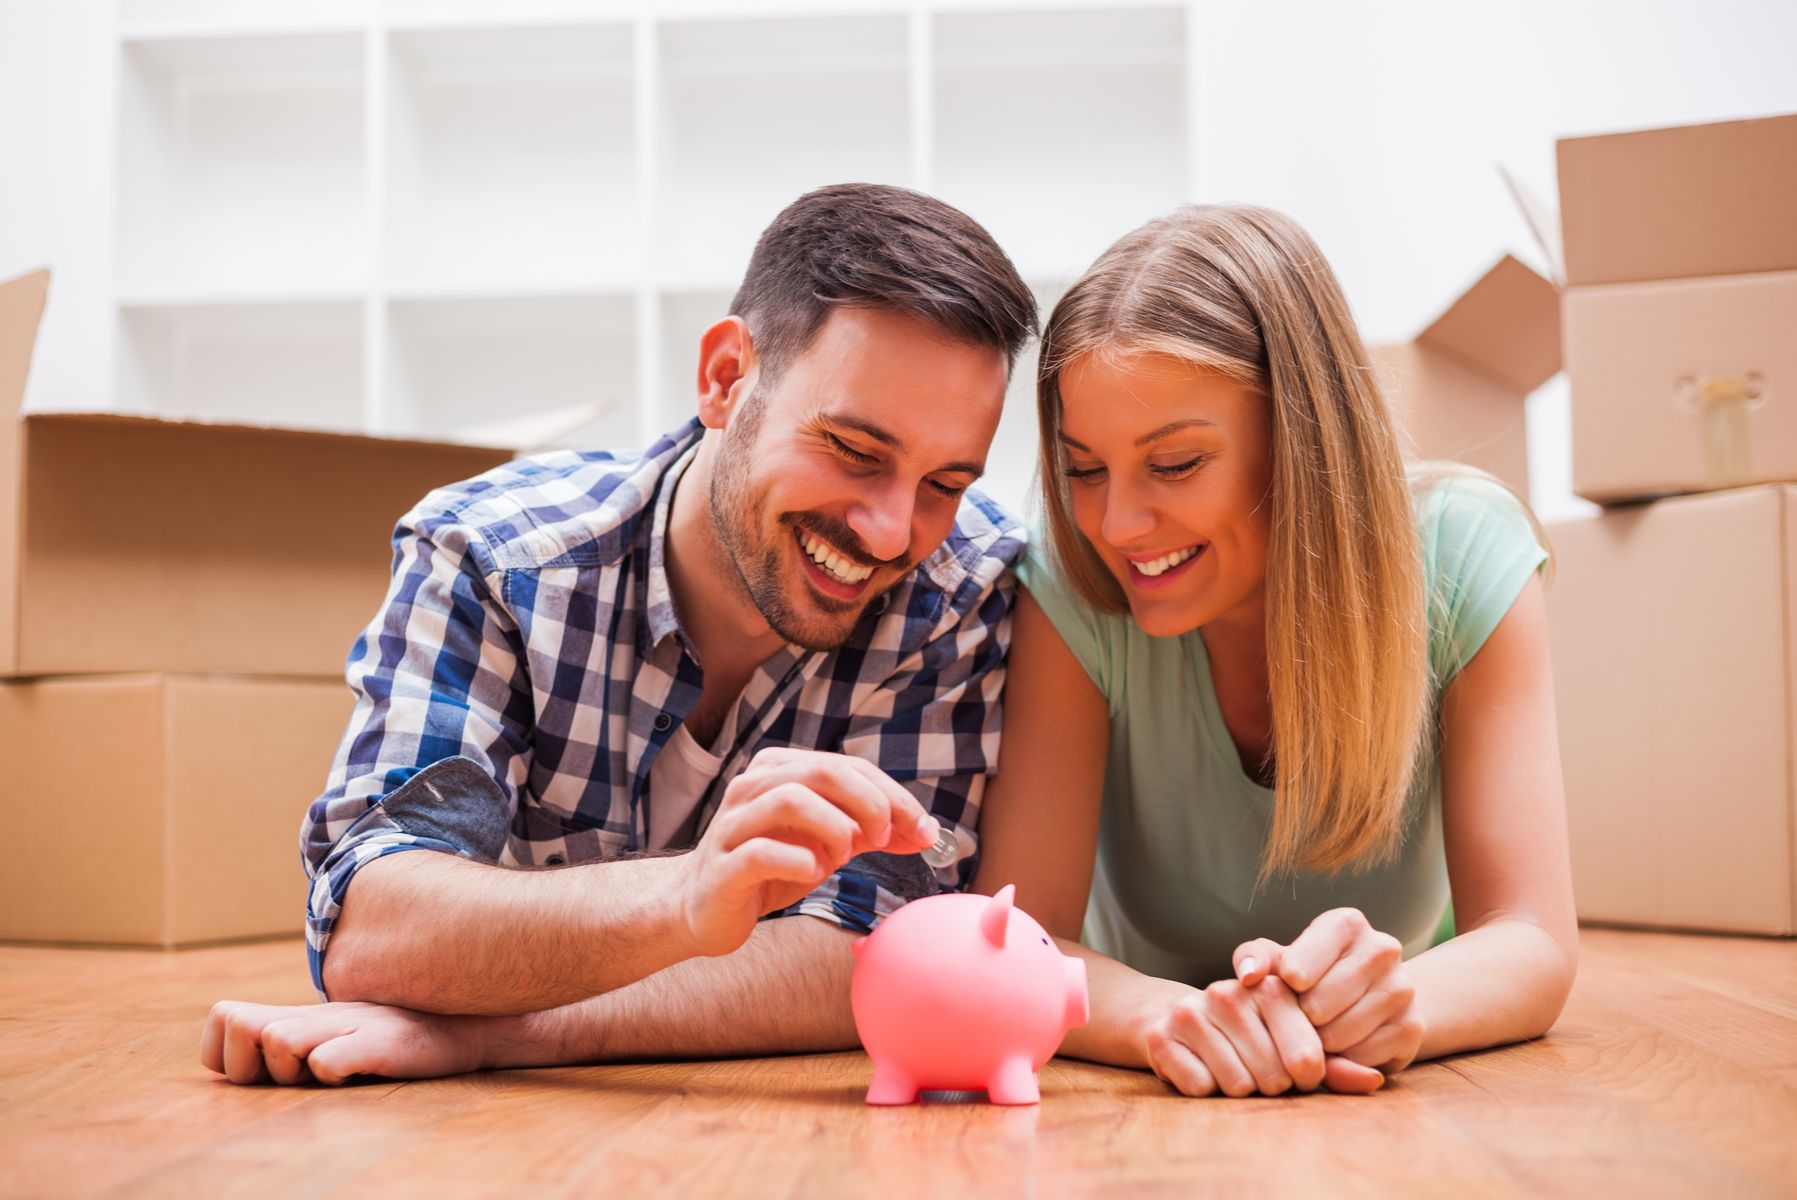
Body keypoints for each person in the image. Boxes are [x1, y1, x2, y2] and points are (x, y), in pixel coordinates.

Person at [201, 183, 1037, 1085]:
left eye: (943, 482)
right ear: (726, 379)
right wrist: (683, 899)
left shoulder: (960, 587)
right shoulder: (495, 559)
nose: (888, 531)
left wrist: (488, 1033)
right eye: (853, 451)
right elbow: (370, 924)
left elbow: (879, 953)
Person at [972, 205, 1578, 1097]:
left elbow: (1531, 937)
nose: (1116, 524)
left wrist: (1396, 1000)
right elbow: (1017, 938)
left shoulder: (1461, 553)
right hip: (1160, 1075)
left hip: (1385, 1083)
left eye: (1173, 465)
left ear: (1300, 440)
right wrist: (1163, 1019)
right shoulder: (1067, 585)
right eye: (1084, 468)